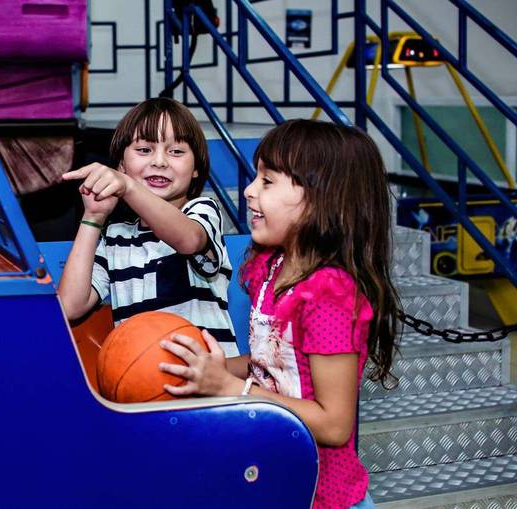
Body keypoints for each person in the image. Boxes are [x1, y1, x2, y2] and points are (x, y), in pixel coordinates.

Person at [159, 119, 399, 509]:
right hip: (272, 472)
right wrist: (208, 369)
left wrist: (230, 388)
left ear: (321, 198)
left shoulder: (328, 295)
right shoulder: (270, 269)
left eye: (268, 181)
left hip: (318, 493)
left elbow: (335, 425)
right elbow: (272, 365)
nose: (250, 191)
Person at [58, 97, 236, 352]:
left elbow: (188, 240)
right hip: (140, 384)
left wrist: (128, 186)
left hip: (208, 386)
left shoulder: (202, 211)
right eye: (144, 150)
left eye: (176, 151)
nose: (160, 162)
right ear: (121, 166)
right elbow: (70, 306)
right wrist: (93, 218)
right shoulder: (115, 238)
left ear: (196, 167)